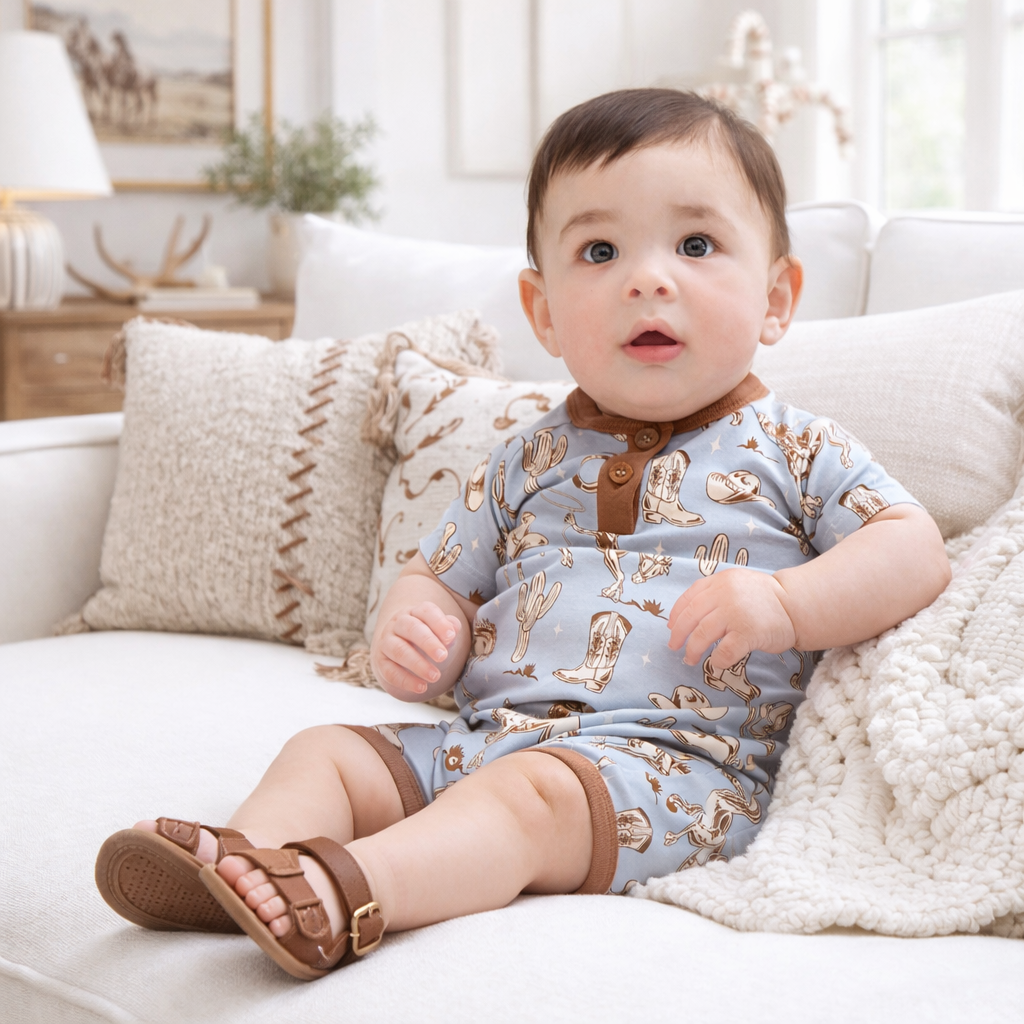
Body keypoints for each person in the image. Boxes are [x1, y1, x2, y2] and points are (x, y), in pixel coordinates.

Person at [95, 89, 951, 980]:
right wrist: (419, 625)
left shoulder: (795, 446)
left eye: (695, 245)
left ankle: (348, 893)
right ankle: (244, 862)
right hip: (491, 736)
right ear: (542, 313)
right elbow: (440, 578)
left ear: (776, 299)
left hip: (675, 778)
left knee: (526, 799)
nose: (648, 278)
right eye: (599, 250)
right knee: (329, 752)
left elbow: (913, 549)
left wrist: (785, 602)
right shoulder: (525, 459)